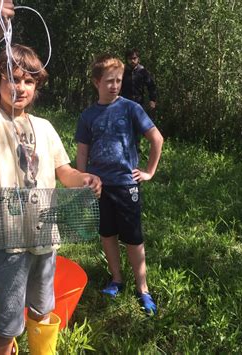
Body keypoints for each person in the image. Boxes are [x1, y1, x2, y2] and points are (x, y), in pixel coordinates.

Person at [0, 1, 102, 354]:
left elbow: (62, 170)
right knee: (6, 322)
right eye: (13, 78)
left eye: (28, 81)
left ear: (36, 87)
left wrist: (83, 178)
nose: (20, 87)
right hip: (7, 241)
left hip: (45, 237)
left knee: (43, 308)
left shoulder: (46, 127)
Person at [75, 54, 163, 315]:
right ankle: (116, 279)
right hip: (100, 186)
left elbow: (156, 138)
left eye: (118, 80)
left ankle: (142, 288)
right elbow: (82, 152)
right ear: (96, 82)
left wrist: (149, 171)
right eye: (109, 81)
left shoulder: (131, 109)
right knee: (107, 233)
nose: (114, 85)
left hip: (126, 185)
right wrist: (83, 180)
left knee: (133, 238)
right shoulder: (88, 115)